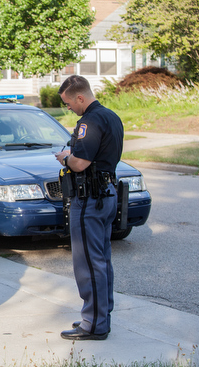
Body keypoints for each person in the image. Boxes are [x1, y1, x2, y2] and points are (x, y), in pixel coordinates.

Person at [54, 75, 124, 341]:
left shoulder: (89, 121)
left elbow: (80, 163)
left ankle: (93, 324)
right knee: (102, 261)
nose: (69, 108)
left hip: (90, 200)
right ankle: (101, 317)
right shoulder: (111, 116)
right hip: (106, 194)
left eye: (69, 103)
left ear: (80, 97)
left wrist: (65, 158)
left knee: (88, 264)